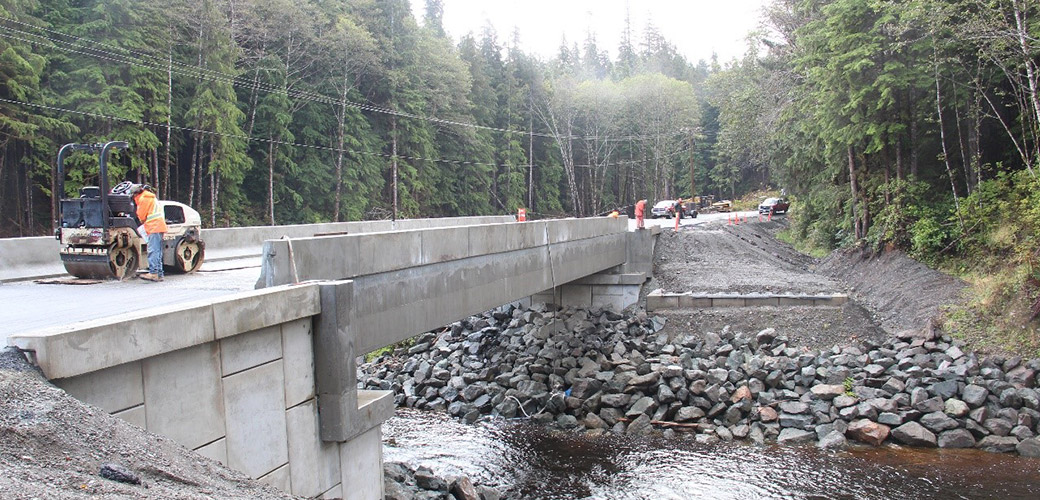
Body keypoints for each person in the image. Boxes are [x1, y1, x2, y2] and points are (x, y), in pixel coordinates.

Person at [134, 185, 168, 282]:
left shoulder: (144, 199)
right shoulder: (150, 197)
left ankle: (153, 273)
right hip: (159, 226)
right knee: (157, 251)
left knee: (153, 250)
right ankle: (159, 273)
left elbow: (141, 216)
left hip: (154, 227)